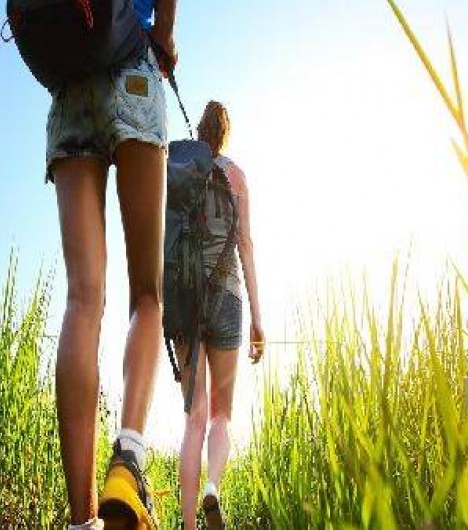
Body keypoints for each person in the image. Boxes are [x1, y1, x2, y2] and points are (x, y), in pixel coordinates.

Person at [47, 1, 178, 528]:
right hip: (133, 71)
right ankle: (127, 461)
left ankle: (82, 521)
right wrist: (164, 41)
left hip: (68, 87)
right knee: (146, 296)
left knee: (83, 299)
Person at [174, 101, 265, 529]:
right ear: (225, 133)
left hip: (185, 300)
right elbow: (246, 244)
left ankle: (189, 524)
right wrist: (258, 319)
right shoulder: (237, 176)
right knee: (220, 416)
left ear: (199, 130)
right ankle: (213, 486)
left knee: (194, 418)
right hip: (228, 298)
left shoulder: (180, 170)